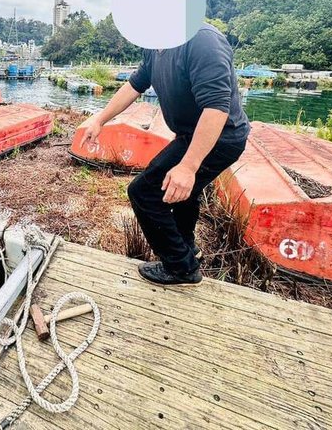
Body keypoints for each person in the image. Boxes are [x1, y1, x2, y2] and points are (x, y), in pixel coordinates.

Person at [82, 23, 250, 286]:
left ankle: (180, 267)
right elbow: (134, 85)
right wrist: (100, 119)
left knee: (145, 192)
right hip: (189, 134)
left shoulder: (202, 41)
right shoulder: (155, 45)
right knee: (183, 193)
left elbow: (216, 108)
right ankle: (187, 249)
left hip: (220, 136)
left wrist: (188, 166)